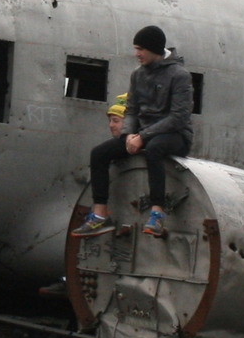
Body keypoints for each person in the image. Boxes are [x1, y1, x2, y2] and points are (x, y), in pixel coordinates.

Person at [74, 26, 194, 240]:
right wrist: (129, 134)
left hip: (175, 135)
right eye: (136, 49)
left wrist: (143, 137)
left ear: (154, 49)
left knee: (155, 149)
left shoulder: (179, 75)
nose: (137, 54)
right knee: (99, 153)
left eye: (141, 49)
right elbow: (131, 110)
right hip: (142, 133)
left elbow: (179, 117)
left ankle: (157, 213)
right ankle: (100, 215)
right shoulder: (137, 75)